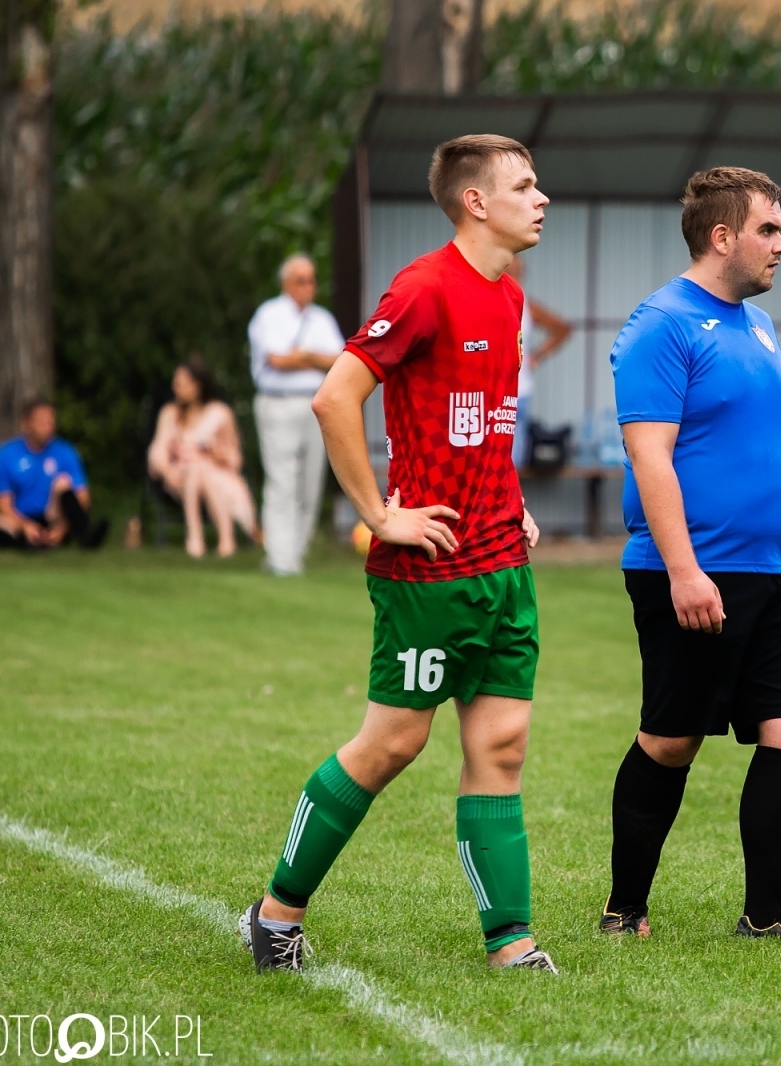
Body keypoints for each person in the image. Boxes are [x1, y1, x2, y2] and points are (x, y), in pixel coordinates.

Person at [238, 134, 557, 974]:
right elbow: (334, 397)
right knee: (392, 745)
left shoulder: (509, 297)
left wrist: (513, 504)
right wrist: (381, 515)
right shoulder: (423, 288)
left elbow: (486, 423)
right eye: (525, 186)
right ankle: (275, 916)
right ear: (475, 202)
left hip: (502, 563)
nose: (542, 199)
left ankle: (511, 942)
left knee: (503, 747)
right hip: (429, 573)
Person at [602, 166, 781, 942]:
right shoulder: (660, 325)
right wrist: (684, 570)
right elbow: (650, 457)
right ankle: (624, 909)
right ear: (722, 236)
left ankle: (768, 917)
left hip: (777, 573)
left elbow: (780, 453)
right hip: (693, 572)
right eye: (769, 229)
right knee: (673, 740)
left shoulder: (761, 327)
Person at [248, 253, 346, 575]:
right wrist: (313, 359)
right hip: (278, 403)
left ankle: (296, 552)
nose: (308, 286)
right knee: (282, 480)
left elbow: (340, 359)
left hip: (315, 404)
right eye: (301, 280)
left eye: (312, 280)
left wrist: (303, 355)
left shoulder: (322, 319)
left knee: (310, 482)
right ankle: (279, 558)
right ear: (286, 283)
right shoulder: (269, 314)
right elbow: (276, 360)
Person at [147, 357, 259, 558]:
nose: (176, 389)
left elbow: (235, 459)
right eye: (176, 384)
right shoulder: (169, 414)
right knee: (196, 469)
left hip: (217, 474)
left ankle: (198, 538)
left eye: (182, 384)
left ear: (197, 386)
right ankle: (224, 539)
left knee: (201, 471)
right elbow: (158, 452)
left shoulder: (220, 414)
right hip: (180, 477)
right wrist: (169, 473)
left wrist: (216, 453)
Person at [0, 397, 108, 551]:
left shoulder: (66, 451)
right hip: (21, 519)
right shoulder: (5, 454)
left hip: (53, 517)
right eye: (42, 422)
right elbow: (4, 505)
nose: (48, 427)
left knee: (62, 482)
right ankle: (25, 545)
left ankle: (86, 536)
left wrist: (63, 527)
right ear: (26, 424)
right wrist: (24, 526)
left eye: (51, 422)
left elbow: (83, 498)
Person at [504, 256, 574, 470]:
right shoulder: (484, 301)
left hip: (519, 391)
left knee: (512, 460)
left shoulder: (526, 305)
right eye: (509, 272)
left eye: (518, 273)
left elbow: (562, 328)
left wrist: (536, 356)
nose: (513, 278)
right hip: (488, 391)